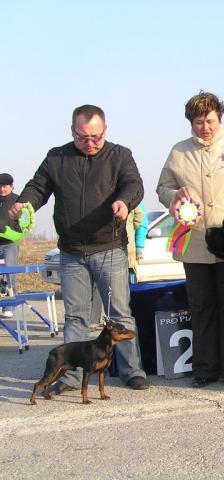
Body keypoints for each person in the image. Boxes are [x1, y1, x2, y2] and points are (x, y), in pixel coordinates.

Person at [10, 104, 149, 392]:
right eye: (83, 137)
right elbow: (37, 188)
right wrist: (24, 203)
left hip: (109, 247)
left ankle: (132, 371)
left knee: (120, 313)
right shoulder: (56, 157)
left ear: (105, 130)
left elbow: (134, 184)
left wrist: (125, 201)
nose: (90, 143)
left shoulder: (119, 155)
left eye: (96, 137)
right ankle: (71, 376)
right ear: (72, 130)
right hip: (71, 251)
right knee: (76, 316)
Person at [157, 91, 224, 388]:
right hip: (196, 244)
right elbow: (162, 187)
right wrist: (173, 195)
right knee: (202, 307)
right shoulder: (178, 152)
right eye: (198, 122)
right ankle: (204, 369)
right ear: (190, 122)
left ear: (220, 118)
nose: (205, 127)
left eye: (210, 121)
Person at [0, 173, 19, 318]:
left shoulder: (17, 200)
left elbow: (25, 222)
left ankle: (10, 307)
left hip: (10, 244)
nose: (2, 189)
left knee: (10, 274)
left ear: (11, 186)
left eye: (5, 186)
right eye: (0, 186)